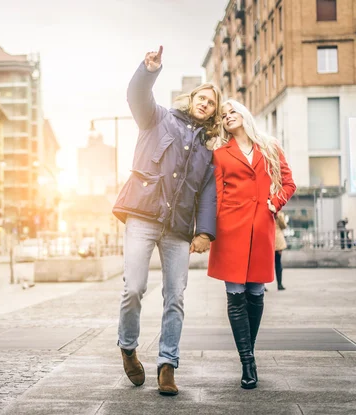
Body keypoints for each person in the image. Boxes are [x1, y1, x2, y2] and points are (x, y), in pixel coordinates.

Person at [112, 46, 220, 396]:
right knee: (134, 288)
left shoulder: (207, 149)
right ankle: (128, 348)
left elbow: (207, 194)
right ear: (190, 99)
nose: (205, 103)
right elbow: (136, 95)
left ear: (214, 111)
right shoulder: (158, 118)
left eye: (212, 102)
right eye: (201, 97)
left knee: (176, 297)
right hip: (142, 216)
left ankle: (167, 365)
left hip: (178, 229)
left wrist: (204, 232)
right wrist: (148, 70)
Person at [208, 100, 296, 390]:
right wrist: (208, 229)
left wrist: (275, 203)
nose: (228, 117)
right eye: (224, 115)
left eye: (232, 111)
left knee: (256, 292)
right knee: (235, 294)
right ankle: (248, 361)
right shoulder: (220, 155)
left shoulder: (269, 147)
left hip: (261, 227)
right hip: (230, 229)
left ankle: (248, 352)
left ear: (244, 114)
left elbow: (288, 183)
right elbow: (216, 195)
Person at [274, 212, 288, 291]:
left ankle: (262, 285)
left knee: (265, 264)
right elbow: (284, 226)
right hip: (278, 240)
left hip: (267, 238)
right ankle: (279, 284)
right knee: (278, 263)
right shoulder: (279, 214)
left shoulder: (265, 211)